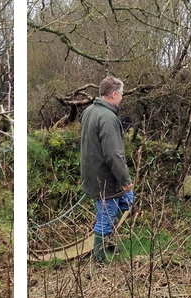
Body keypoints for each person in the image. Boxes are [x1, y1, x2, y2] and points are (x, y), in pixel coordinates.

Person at [80, 76, 134, 263]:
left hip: (92, 172)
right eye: (120, 94)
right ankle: (100, 259)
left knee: (125, 202)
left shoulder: (89, 110)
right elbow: (114, 154)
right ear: (113, 94)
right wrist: (126, 181)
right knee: (106, 215)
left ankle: (108, 242)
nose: (121, 98)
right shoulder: (108, 118)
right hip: (105, 176)